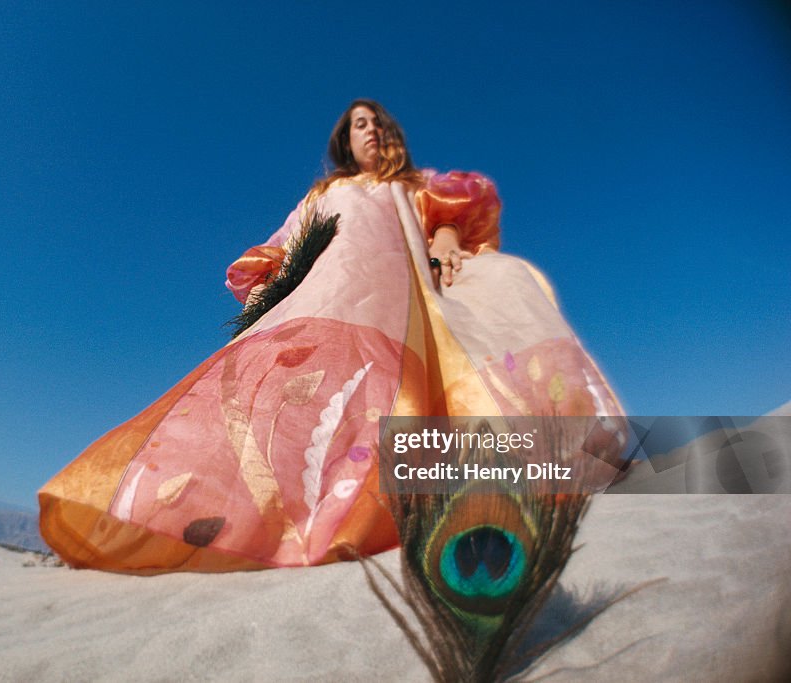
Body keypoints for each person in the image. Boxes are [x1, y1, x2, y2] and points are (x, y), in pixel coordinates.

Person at [38, 99, 623, 573]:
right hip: (331, 292)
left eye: (376, 123)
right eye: (357, 126)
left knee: (428, 362)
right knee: (301, 400)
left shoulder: (416, 185)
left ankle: (390, 501)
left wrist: (445, 242)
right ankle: (258, 520)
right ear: (345, 143)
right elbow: (284, 249)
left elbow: (450, 216)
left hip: (403, 295)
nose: (368, 132)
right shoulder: (323, 194)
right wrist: (270, 291)